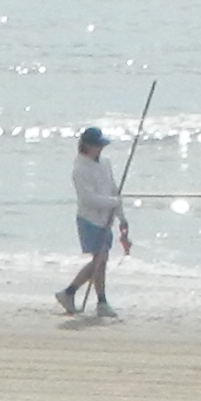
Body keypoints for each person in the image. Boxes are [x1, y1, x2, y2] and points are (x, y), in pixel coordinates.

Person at [59, 126, 128, 317]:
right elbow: (88, 199)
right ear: (88, 146)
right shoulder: (80, 169)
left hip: (106, 218)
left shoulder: (105, 163)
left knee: (101, 262)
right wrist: (114, 202)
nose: (101, 148)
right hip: (89, 220)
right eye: (98, 145)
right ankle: (69, 291)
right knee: (100, 259)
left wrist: (121, 217)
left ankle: (101, 301)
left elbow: (114, 189)